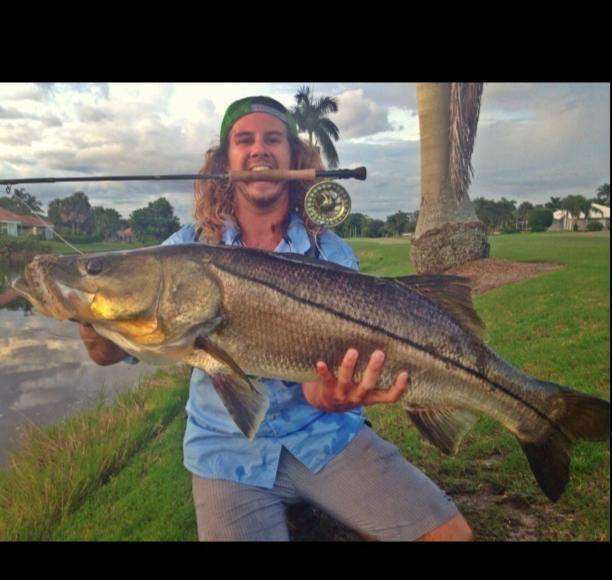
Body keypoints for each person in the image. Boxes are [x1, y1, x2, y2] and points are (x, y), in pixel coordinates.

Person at [80, 96, 473, 542]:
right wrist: (92, 318)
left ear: (293, 157)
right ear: (225, 161)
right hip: (225, 455)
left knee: (450, 537)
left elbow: (315, 385)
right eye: (243, 140)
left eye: (273, 139)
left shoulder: (332, 253)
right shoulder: (182, 250)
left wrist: (331, 396)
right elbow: (106, 353)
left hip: (325, 438)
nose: (259, 150)